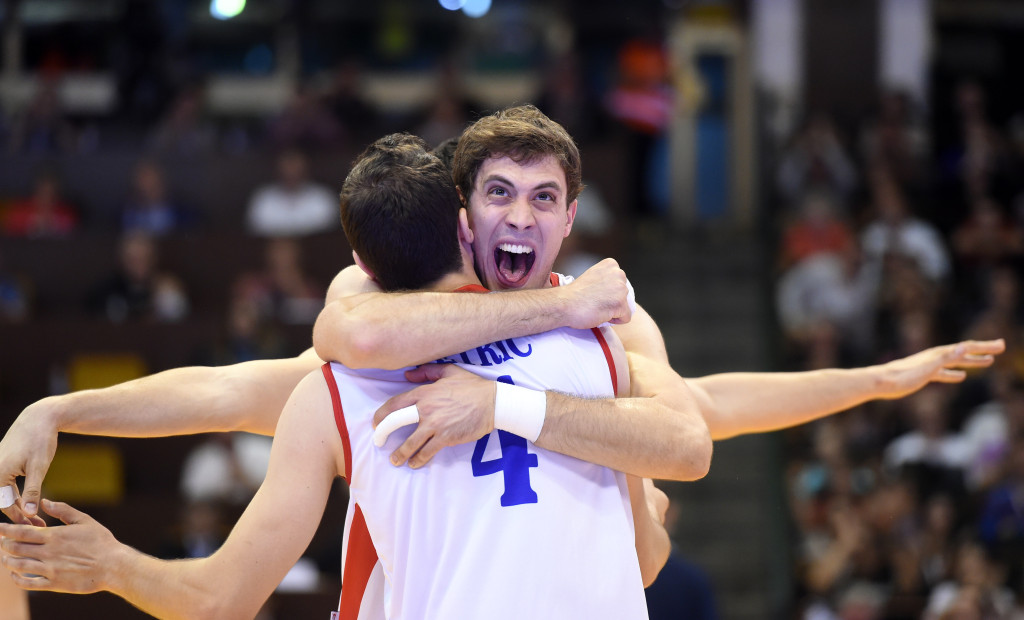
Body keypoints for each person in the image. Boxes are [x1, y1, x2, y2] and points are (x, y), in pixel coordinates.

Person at [0, 107, 1000, 553]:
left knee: (650, 537)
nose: (522, 215)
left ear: (569, 218)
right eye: (500, 193)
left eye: (545, 196)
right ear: (463, 214)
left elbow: (704, 409)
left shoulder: (605, 320)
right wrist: (68, 404)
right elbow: (243, 384)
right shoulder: (387, 317)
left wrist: (876, 378)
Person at [0, 135, 675, 619]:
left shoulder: (345, 377)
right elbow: (692, 436)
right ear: (466, 228)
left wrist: (108, 553)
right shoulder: (586, 336)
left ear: (359, 265)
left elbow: (217, 593)